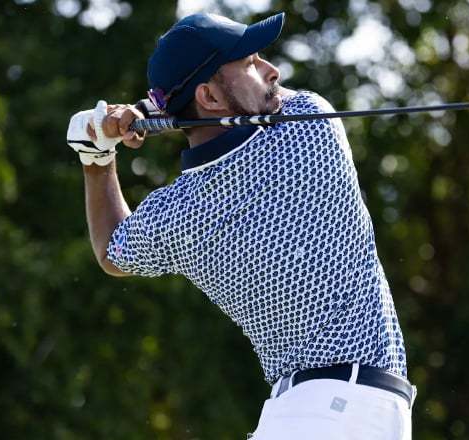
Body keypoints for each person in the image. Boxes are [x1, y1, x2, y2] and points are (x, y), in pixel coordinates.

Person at [65, 12, 415, 440]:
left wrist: (97, 158)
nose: (272, 71)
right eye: (250, 63)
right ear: (210, 97)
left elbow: (110, 252)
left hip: (305, 413)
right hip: (344, 409)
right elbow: (273, 102)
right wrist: (148, 109)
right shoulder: (307, 127)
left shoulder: (176, 215)